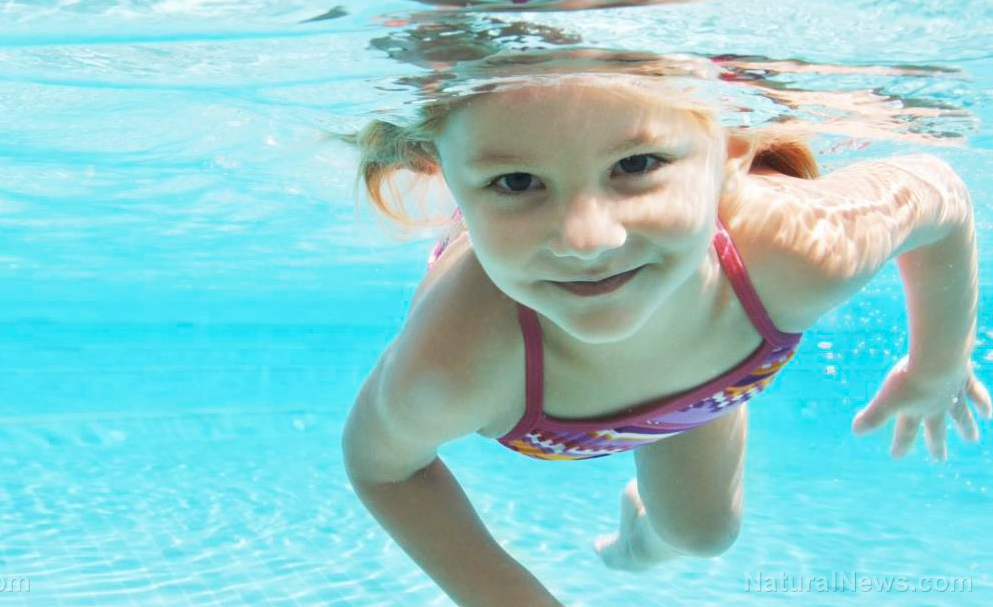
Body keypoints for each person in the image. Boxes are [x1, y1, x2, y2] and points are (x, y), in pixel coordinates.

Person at [339, 72, 990, 607]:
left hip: (711, 370)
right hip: (684, 364)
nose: (587, 239)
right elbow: (382, 467)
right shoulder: (455, 362)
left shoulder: (797, 251)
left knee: (704, 535)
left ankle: (640, 543)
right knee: (706, 531)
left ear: (733, 144)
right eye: (515, 181)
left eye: (638, 164)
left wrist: (939, 363)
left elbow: (942, 196)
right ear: (444, 176)